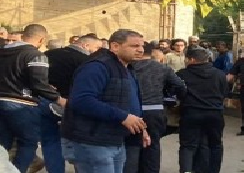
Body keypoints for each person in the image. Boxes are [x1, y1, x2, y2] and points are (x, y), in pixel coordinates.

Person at [61, 29, 149, 173]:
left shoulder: (126, 68)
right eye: (134, 46)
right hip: (92, 140)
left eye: (142, 46)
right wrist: (123, 117)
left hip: (114, 139)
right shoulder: (97, 66)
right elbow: (82, 100)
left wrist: (140, 128)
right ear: (115, 46)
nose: (141, 50)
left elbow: (127, 101)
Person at [0, 24, 65, 173]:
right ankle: (18, 170)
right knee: (28, 142)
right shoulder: (35, 55)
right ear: (41, 39)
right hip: (21, 104)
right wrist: (59, 99)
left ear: (23, 35)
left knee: (3, 144)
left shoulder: (2, 51)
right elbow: (38, 84)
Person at [43, 34, 103, 173]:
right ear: (86, 45)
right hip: (74, 106)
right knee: (79, 143)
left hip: (46, 101)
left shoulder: (48, 54)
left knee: (50, 141)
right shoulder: (87, 61)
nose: (98, 51)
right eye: (97, 47)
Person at [124, 42, 186, 173]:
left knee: (131, 146)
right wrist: (171, 97)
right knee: (152, 145)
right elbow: (180, 86)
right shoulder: (162, 68)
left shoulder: (126, 67)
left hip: (130, 112)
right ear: (151, 53)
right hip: (154, 110)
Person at [176, 47, 228, 173]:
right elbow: (224, 93)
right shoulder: (219, 74)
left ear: (192, 59)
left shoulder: (182, 74)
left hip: (191, 113)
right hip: (214, 113)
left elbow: (177, 93)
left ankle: (186, 171)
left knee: (188, 146)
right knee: (215, 145)